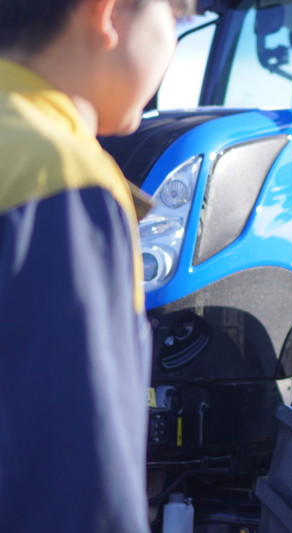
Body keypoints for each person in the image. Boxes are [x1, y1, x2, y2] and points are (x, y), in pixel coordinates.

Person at [0, 0, 193, 531]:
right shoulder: (58, 173)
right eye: (177, 18)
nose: (173, 43)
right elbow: (72, 473)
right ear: (108, 13)